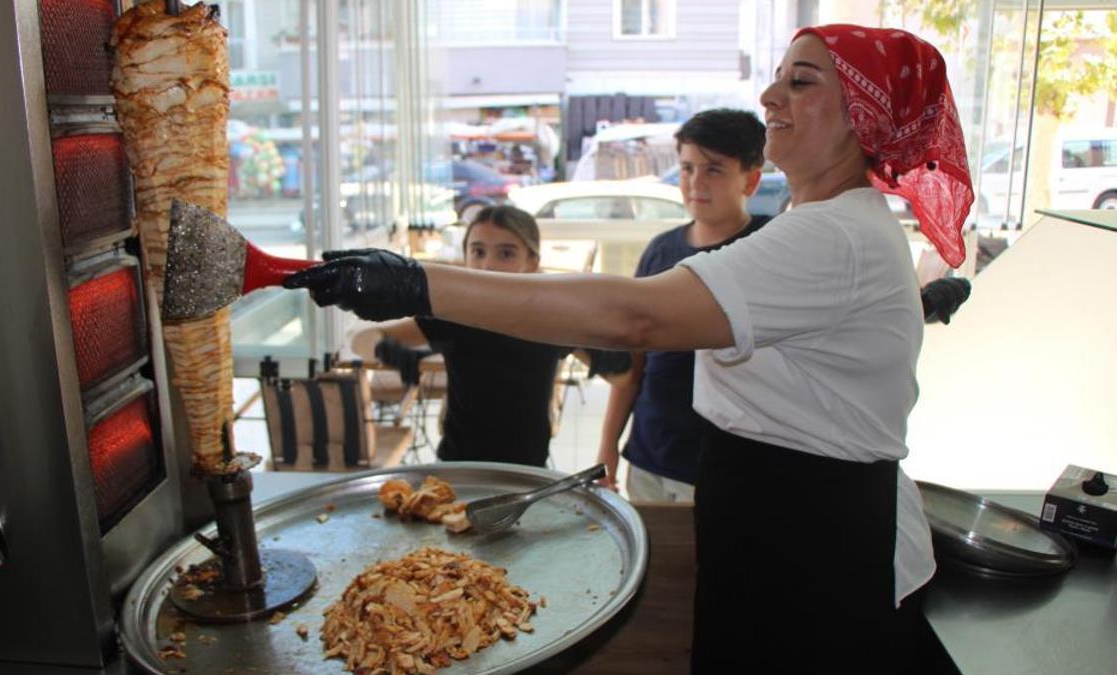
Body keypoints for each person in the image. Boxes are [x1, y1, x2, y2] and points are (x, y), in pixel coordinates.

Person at [284, 24, 973, 672]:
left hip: (820, 551)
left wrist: (419, 281)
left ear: (865, 117)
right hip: (777, 527)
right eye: (775, 78)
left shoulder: (834, 235)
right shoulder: (820, 223)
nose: (769, 97)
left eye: (802, 82)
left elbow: (633, 316)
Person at [346, 205, 625, 468]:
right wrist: (388, 350)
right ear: (465, 256)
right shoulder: (454, 314)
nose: (488, 264)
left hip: (527, 473)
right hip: (459, 466)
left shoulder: (551, 319)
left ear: (532, 262)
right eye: (478, 252)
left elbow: (623, 376)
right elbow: (362, 339)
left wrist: (608, 447)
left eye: (506, 254)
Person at [597, 108, 770, 501]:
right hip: (649, 452)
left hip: (727, 463)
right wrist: (608, 447)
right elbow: (632, 365)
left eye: (714, 170)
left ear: (752, 179)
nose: (695, 182)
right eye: (687, 168)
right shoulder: (661, 250)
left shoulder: (766, 246)